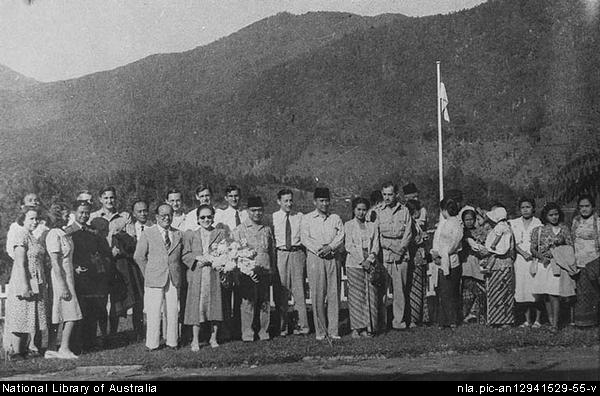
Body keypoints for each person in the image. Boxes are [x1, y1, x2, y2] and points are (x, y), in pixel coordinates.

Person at [134, 204, 184, 351]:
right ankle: (152, 343)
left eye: (169, 215)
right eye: (163, 215)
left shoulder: (178, 234)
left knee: (173, 309)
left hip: (173, 277)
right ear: (156, 217)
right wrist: (148, 273)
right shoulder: (148, 233)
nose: (166, 218)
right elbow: (139, 257)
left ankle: (172, 341)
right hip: (154, 278)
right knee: (153, 310)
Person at [67, 201, 113, 353]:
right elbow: (66, 254)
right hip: (76, 276)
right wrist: (74, 268)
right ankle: (76, 344)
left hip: (92, 277)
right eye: (81, 212)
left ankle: (90, 342)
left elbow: (101, 251)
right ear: (74, 213)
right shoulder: (68, 231)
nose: (84, 215)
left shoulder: (93, 231)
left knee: (91, 310)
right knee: (78, 310)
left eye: (86, 213)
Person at [301, 187, 345, 340]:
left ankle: (333, 331)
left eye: (327, 201)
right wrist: (319, 250)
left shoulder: (335, 218)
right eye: (321, 201)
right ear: (315, 202)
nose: (325, 204)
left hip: (333, 257)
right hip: (316, 258)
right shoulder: (307, 219)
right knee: (318, 294)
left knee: (334, 293)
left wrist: (330, 247)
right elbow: (305, 238)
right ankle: (321, 331)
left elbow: (341, 236)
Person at [4, 206, 48, 360]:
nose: (35, 222)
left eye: (37, 218)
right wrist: (24, 286)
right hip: (23, 281)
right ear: (23, 219)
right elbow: (20, 262)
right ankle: (16, 352)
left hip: (34, 281)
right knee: (20, 316)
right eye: (31, 218)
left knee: (29, 316)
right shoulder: (20, 234)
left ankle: (23, 350)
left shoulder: (31, 236)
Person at [182, 205, 227, 350]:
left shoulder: (220, 233)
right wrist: (197, 258)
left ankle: (213, 338)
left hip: (214, 274)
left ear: (213, 217)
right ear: (197, 219)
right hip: (198, 275)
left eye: (209, 217)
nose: (206, 220)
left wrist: (216, 260)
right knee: (197, 308)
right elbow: (185, 255)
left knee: (215, 305)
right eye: (202, 217)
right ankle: (195, 340)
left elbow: (225, 251)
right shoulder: (191, 235)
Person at [231, 196, 274, 342]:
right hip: (247, 273)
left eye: (260, 210)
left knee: (264, 302)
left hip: (264, 270)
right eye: (253, 210)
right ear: (247, 211)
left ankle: (263, 331)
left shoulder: (267, 229)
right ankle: (247, 333)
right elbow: (235, 253)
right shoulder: (239, 230)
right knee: (248, 303)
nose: (257, 213)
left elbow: (271, 251)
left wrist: (272, 269)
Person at [89, 186, 130, 336]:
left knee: (115, 300)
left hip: (117, 264)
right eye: (106, 198)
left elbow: (130, 240)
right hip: (99, 264)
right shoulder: (93, 217)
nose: (109, 200)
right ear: (100, 199)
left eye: (112, 197)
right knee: (101, 300)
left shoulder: (123, 217)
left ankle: (112, 333)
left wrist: (120, 250)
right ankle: (102, 333)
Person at [530, 202, 576, 332]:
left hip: (558, 265)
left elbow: (570, 247)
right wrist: (541, 257)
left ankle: (555, 324)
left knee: (554, 293)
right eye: (551, 215)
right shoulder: (539, 230)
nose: (554, 217)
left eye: (556, 214)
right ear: (545, 216)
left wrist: (557, 251)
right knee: (546, 294)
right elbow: (532, 248)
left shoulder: (564, 229)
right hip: (543, 265)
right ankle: (551, 321)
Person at [44, 203, 82, 359]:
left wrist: (75, 269)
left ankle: (51, 349)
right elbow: (55, 262)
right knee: (71, 313)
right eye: (66, 216)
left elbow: (67, 259)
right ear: (58, 217)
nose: (69, 218)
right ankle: (64, 348)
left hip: (69, 275)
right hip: (60, 278)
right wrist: (63, 286)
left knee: (65, 312)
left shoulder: (63, 233)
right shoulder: (53, 234)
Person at [375, 182, 413, 330]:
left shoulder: (404, 211)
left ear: (396, 194)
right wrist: (392, 248)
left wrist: (401, 250)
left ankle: (399, 321)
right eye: (384, 194)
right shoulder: (377, 211)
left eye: (390, 194)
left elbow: (408, 233)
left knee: (400, 290)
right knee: (382, 290)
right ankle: (382, 322)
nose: (387, 198)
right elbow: (376, 235)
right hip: (385, 254)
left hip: (401, 255)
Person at [272, 189, 309, 336]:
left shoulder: (300, 216)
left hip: (297, 253)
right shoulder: (273, 217)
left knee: (299, 290)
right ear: (279, 201)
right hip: (281, 254)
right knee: (281, 291)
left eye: (290, 200)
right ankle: (283, 327)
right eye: (285, 201)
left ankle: (302, 326)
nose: (289, 203)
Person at [108, 200, 147, 339]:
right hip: (118, 270)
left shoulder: (129, 234)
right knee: (117, 301)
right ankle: (113, 333)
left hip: (132, 269)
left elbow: (134, 250)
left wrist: (123, 252)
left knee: (137, 300)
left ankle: (139, 331)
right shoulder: (113, 237)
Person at [214, 184, 247, 340]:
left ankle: (240, 329)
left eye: (236, 195)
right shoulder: (221, 215)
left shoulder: (245, 214)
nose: (234, 199)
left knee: (241, 295)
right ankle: (226, 330)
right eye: (231, 196)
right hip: (227, 257)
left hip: (242, 258)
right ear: (226, 198)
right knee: (226, 295)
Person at [344, 197, 379, 338]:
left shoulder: (372, 226)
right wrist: (361, 260)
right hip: (354, 263)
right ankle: (356, 328)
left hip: (369, 263)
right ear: (354, 210)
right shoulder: (348, 225)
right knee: (356, 297)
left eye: (364, 210)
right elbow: (349, 245)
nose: (361, 213)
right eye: (359, 209)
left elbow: (376, 244)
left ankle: (366, 327)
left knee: (368, 296)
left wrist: (370, 259)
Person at [510, 198, 543, 328]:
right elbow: (512, 241)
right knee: (523, 290)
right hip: (520, 260)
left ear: (533, 208)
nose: (525, 210)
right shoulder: (514, 223)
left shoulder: (538, 223)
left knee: (535, 290)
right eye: (523, 207)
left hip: (534, 260)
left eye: (528, 207)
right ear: (519, 209)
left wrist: (533, 254)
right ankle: (527, 320)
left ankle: (538, 320)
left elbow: (541, 243)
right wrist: (523, 253)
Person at [430, 198, 463, 328]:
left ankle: (451, 320)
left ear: (444, 210)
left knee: (447, 292)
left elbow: (453, 244)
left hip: (450, 260)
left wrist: (442, 253)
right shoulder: (450, 223)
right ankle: (445, 320)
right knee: (446, 291)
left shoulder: (454, 223)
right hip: (445, 259)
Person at [481, 206, 515, 327]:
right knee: (502, 290)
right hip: (502, 263)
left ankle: (502, 319)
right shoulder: (507, 228)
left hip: (500, 263)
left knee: (501, 290)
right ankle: (500, 318)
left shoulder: (501, 229)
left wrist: (492, 248)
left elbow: (500, 245)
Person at [571, 194, 600, 328]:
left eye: (587, 206)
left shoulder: (597, 221)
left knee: (593, 292)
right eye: (581, 206)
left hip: (594, 262)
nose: (584, 209)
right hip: (578, 262)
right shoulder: (575, 221)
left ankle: (594, 321)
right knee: (581, 294)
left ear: (593, 207)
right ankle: (582, 322)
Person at [459, 209, 487, 324]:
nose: (469, 222)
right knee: (468, 292)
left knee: (480, 291)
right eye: (466, 220)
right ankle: (465, 315)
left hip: (478, 263)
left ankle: (479, 314)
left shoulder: (480, 231)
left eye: (471, 219)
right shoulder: (461, 232)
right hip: (466, 264)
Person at [405, 199, 427, 327]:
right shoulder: (410, 224)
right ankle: (413, 318)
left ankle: (419, 317)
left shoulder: (416, 223)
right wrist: (421, 239)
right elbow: (411, 240)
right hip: (415, 258)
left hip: (420, 258)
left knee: (420, 287)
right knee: (415, 289)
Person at [6, 193, 48, 259]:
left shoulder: (43, 225)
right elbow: (10, 249)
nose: (34, 202)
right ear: (23, 205)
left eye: (36, 200)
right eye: (30, 200)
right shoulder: (16, 226)